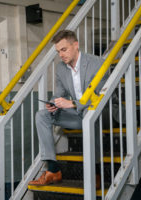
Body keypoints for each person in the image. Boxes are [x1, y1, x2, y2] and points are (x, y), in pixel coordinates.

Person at [29, 30, 109, 186]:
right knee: (42, 115)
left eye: (64, 50)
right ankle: (53, 170)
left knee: (89, 112)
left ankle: (96, 172)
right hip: (78, 114)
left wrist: (72, 103)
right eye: (58, 51)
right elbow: (59, 93)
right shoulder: (61, 68)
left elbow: (100, 97)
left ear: (76, 45)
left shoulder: (97, 63)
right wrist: (53, 104)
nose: (61, 55)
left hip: (102, 112)